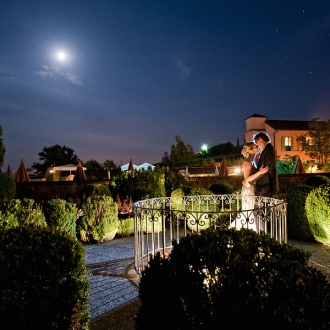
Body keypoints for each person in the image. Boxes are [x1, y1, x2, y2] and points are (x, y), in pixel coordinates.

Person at [231, 142, 268, 231]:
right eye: (256, 147)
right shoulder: (247, 163)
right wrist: (260, 172)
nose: (258, 147)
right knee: (248, 213)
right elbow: (246, 180)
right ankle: (248, 232)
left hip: (251, 190)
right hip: (248, 191)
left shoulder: (251, 161)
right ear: (251, 150)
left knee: (251, 212)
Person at [252, 132, 277, 197]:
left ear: (261, 139)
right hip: (265, 184)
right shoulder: (267, 148)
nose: (257, 145)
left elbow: (265, 167)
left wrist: (260, 170)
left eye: (257, 142)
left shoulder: (268, 149)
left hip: (265, 184)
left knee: (262, 204)